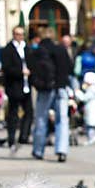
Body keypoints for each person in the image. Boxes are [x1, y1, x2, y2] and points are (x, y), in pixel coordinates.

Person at [30, 26, 71, 162]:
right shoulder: (61, 49)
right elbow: (69, 68)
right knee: (62, 120)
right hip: (61, 88)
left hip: (44, 89)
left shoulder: (38, 51)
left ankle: (38, 150)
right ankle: (62, 150)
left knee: (41, 118)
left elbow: (32, 70)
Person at [2, 26, 34, 153]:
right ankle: (11, 138)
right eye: (17, 34)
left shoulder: (27, 48)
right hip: (14, 86)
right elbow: (7, 68)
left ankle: (23, 136)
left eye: (21, 34)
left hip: (26, 86)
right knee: (13, 114)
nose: (19, 36)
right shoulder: (8, 50)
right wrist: (20, 72)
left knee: (29, 112)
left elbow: (32, 63)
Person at [78, 71, 95, 144]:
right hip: (94, 108)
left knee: (90, 125)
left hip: (91, 109)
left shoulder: (92, 89)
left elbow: (84, 98)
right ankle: (92, 137)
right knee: (92, 124)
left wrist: (78, 93)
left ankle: (92, 138)